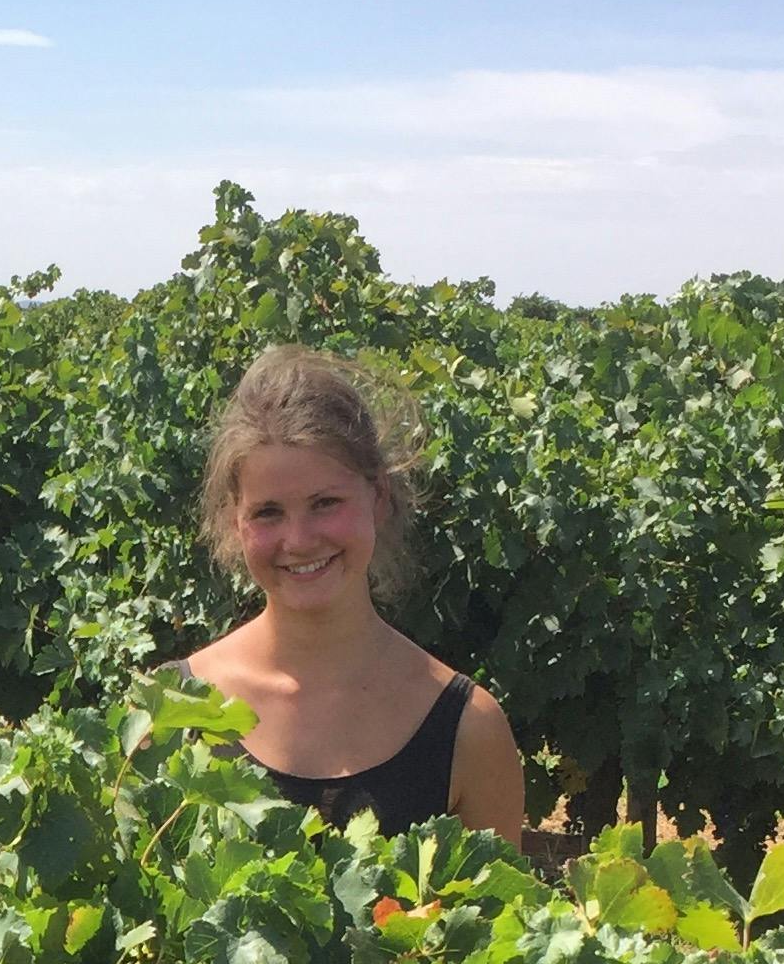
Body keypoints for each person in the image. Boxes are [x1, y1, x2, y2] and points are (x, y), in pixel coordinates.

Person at [176, 344, 527, 844]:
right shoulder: (174, 711)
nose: (299, 541)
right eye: (268, 513)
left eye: (325, 503)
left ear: (378, 496)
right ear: (236, 522)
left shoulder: (469, 730)